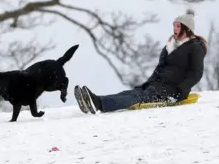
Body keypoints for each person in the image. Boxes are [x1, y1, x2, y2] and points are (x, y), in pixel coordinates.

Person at [74, 8, 208, 114]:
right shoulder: (170, 45)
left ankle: (98, 103)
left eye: (178, 26)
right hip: (156, 85)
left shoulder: (195, 47)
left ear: (187, 29)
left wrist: (179, 91)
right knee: (130, 93)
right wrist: (147, 83)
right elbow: (159, 68)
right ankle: (92, 100)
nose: (174, 29)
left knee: (135, 99)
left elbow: (196, 73)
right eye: (174, 26)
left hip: (172, 91)